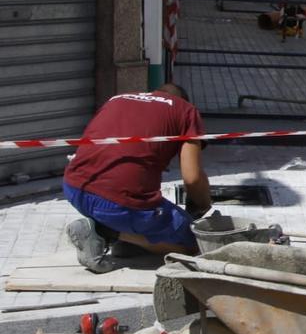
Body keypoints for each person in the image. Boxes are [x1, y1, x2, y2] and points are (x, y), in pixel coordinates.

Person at [61, 83, 211, 273]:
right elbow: (193, 178)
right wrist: (201, 204)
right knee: (193, 242)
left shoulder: (117, 99)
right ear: (183, 100)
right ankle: (107, 233)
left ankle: (125, 234)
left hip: (74, 188)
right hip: (120, 203)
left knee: (145, 209)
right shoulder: (186, 111)